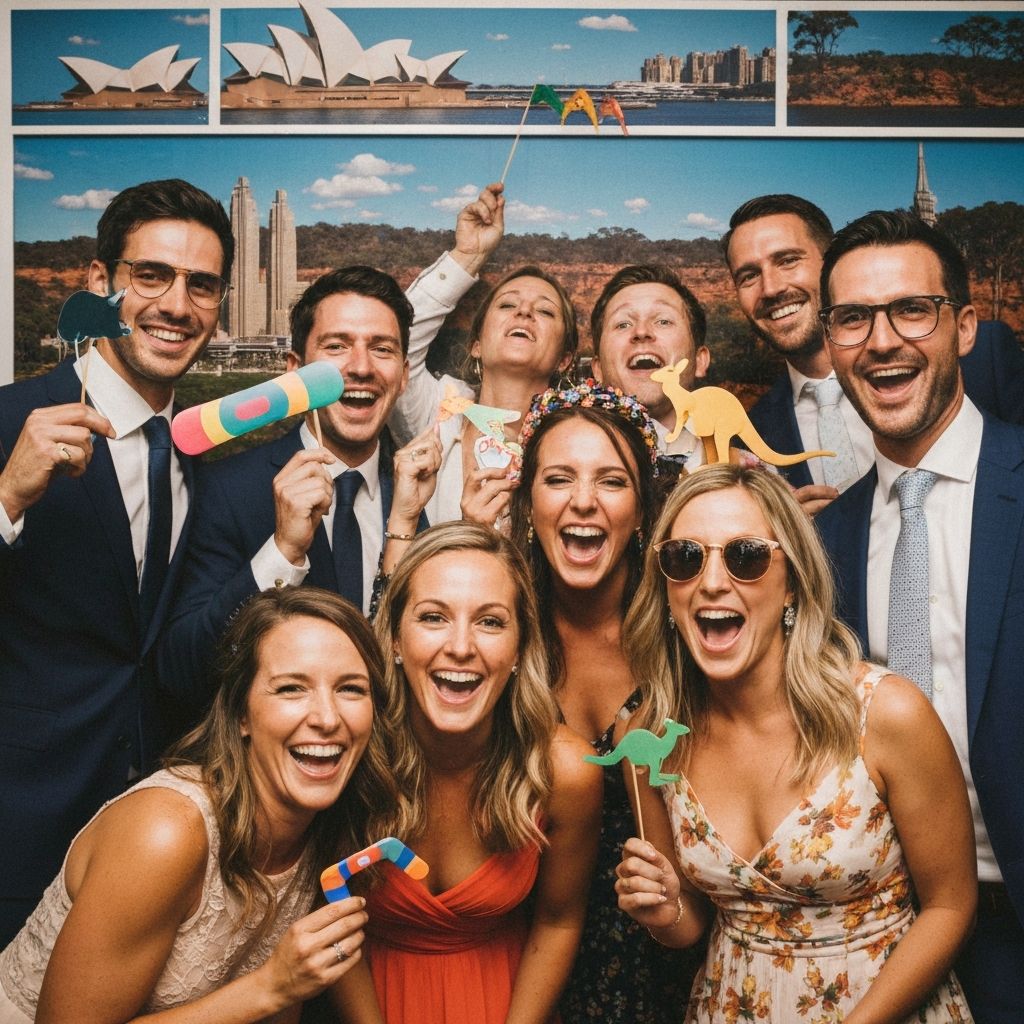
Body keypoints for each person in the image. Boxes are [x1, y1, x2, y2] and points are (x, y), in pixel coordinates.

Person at [616, 464, 976, 1022]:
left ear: (792, 582)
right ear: (666, 588)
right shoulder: (648, 738)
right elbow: (689, 925)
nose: (712, 582)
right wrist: (664, 911)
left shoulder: (885, 714)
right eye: (686, 558)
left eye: (746, 556)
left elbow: (952, 907)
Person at [0, 178, 233, 945]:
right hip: (18, 826)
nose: (177, 305)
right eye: (152, 276)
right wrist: (5, 497)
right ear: (101, 285)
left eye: (201, 285)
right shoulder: (7, 420)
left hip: (154, 848)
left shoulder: (205, 457)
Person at [0, 586, 394, 1022]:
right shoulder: (166, 832)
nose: (327, 718)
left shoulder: (326, 827)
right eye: (290, 689)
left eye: (351, 689)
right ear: (241, 715)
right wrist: (271, 986)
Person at [815, 210, 1024, 1022]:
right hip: (881, 945)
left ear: (963, 326)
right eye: (853, 318)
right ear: (831, 344)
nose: (881, 341)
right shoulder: (822, 545)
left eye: (911, 310)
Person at [330, 522, 603, 1024]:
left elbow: (558, 920)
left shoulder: (565, 772)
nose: (460, 646)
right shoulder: (348, 752)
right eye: (434, 617)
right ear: (393, 637)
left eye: (491, 622)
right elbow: (324, 919)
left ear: (521, 647)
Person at [160, 266, 443, 706]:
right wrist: (282, 552)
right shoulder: (226, 490)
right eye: (336, 346)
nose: (362, 367)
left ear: (403, 376)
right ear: (295, 371)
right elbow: (182, 668)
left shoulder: (415, 500)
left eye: (382, 349)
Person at [507, 381, 700, 1023]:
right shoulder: (493, 641)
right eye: (558, 478)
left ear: (643, 510)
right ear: (528, 502)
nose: (583, 502)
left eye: (612, 482)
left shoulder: (689, 639)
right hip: (518, 968)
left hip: (675, 970)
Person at [723, 193, 1024, 515]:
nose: (770, 288)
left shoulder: (984, 353)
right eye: (749, 276)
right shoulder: (753, 434)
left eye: (788, 260)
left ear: (831, 264)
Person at [390, 185, 580, 526]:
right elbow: (397, 338)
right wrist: (469, 255)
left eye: (545, 312)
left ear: (564, 359)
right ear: (477, 343)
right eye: (507, 304)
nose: (524, 312)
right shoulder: (436, 414)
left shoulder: (577, 440)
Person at [589, 265, 711, 466]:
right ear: (598, 369)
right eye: (623, 324)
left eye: (663, 321)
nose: (642, 331)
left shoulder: (746, 467)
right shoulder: (558, 461)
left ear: (700, 360)